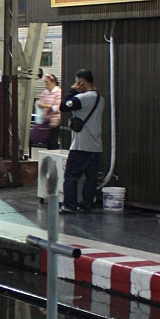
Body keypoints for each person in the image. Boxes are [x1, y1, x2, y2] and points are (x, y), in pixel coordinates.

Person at [60, 69, 104, 214]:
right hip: (96, 146)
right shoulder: (100, 99)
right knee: (91, 179)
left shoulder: (83, 98)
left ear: (81, 82)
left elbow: (64, 106)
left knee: (71, 176)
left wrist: (72, 91)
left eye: (77, 82)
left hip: (81, 146)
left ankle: (69, 206)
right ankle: (86, 205)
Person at [38, 73, 62, 150]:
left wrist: (48, 106)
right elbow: (40, 102)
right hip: (46, 120)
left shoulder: (58, 92)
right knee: (48, 141)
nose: (45, 84)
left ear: (53, 82)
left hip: (55, 121)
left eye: (47, 82)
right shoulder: (45, 92)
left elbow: (58, 107)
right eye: (44, 82)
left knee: (53, 141)